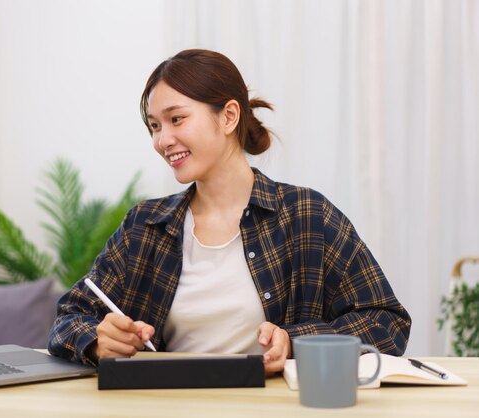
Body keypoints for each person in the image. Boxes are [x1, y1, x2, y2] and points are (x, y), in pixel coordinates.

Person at [48, 49, 411, 375]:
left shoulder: (306, 216)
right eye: (154, 126)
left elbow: (386, 322)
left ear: (229, 117)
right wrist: (98, 340)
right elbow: (67, 319)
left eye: (176, 119)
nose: (161, 140)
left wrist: (296, 342)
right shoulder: (144, 225)